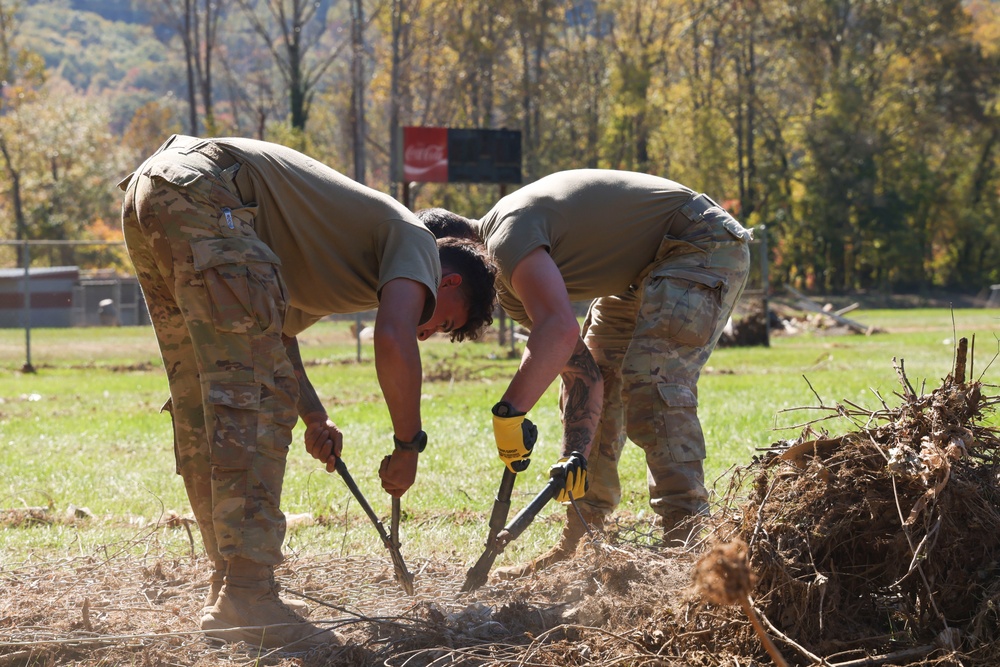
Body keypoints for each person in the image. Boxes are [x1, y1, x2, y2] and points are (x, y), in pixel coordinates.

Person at [119, 134, 497, 648]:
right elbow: (392, 338)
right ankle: (249, 593)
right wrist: (408, 446)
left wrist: (315, 417)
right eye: (444, 323)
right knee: (255, 399)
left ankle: (228, 589)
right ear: (445, 282)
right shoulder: (415, 239)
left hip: (157, 189)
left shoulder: (334, 257)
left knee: (205, 399)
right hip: (207, 192)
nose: (427, 333)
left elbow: (274, 336)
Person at [417, 169, 752, 578]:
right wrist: (575, 452)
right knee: (607, 380)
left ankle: (688, 544)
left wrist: (510, 411)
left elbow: (558, 328)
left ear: (450, 261)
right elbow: (583, 378)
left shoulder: (507, 235)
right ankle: (580, 542)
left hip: (697, 241)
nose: (423, 326)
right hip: (638, 272)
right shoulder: (511, 285)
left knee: (651, 380)